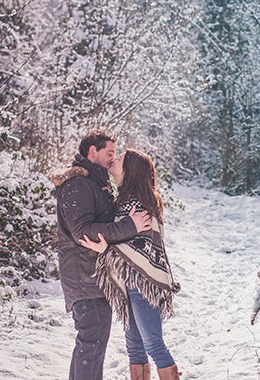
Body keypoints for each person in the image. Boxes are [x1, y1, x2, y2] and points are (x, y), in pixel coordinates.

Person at [50, 131, 153, 380]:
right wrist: (131, 226)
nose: (112, 158)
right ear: (92, 152)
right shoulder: (78, 185)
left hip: (94, 277)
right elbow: (83, 232)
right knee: (91, 344)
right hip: (84, 278)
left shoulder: (95, 184)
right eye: (109, 153)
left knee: (90, 345)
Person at [79, 148, 181, 380]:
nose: (114, 159)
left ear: (130, 170)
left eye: (120, 158)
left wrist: (106, 249)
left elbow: (139, 247)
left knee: (152, 343)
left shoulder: (138, 204)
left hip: (143, 281)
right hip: (129, 282)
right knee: (134, 345)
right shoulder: (123, 201)